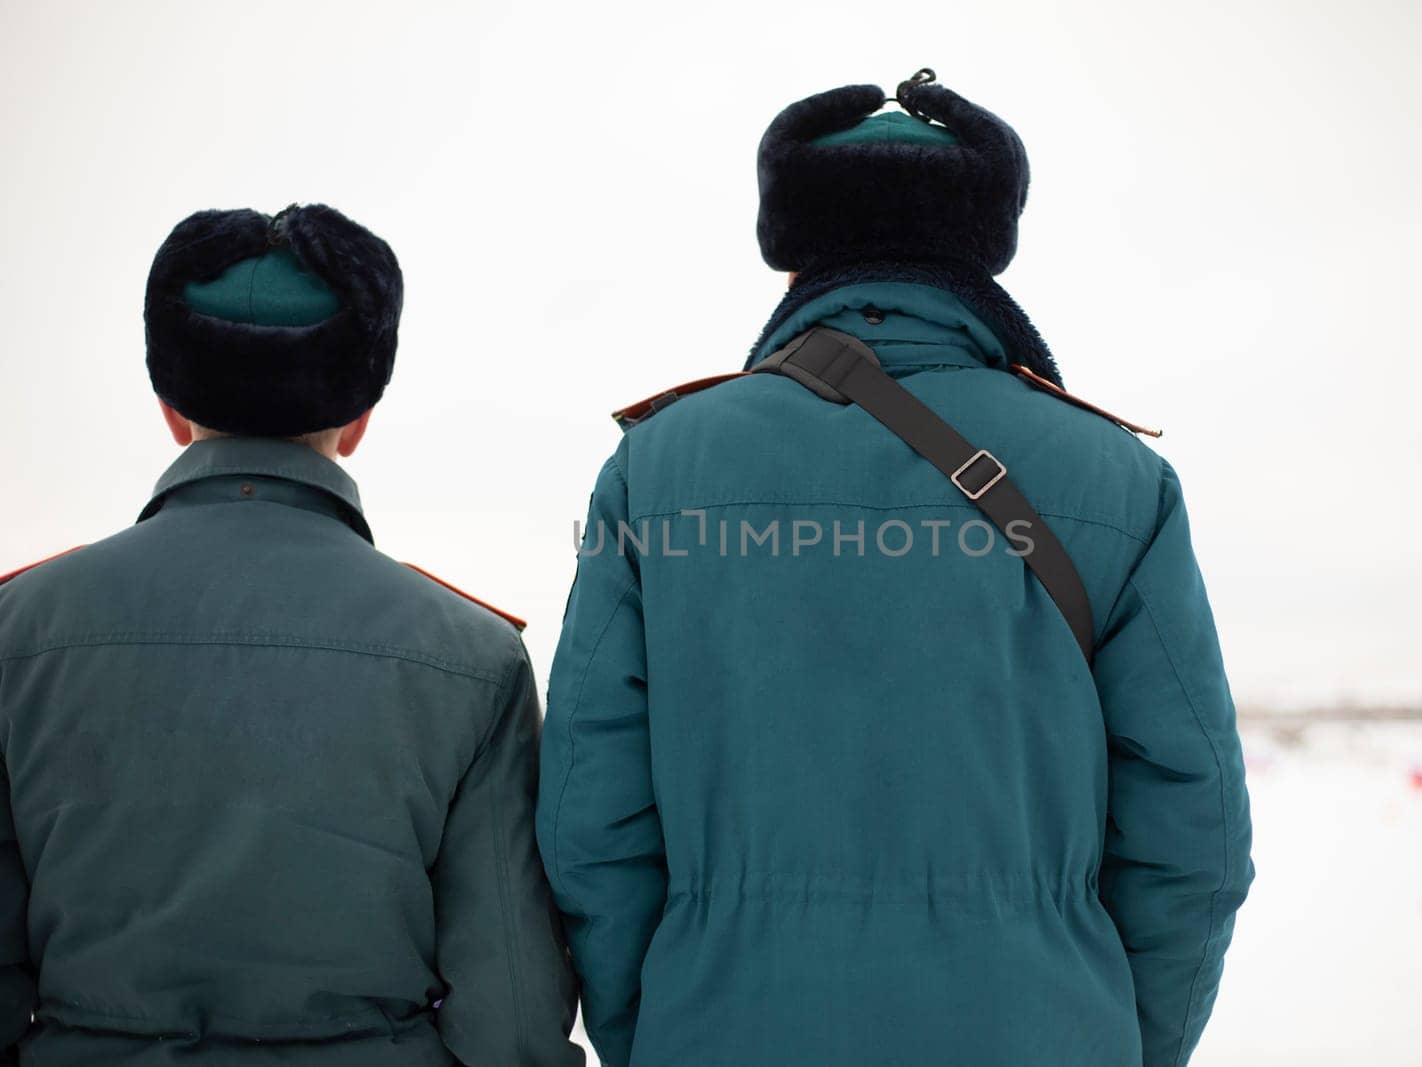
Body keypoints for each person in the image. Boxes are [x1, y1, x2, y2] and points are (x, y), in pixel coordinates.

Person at [538, 72, 1253, 1067]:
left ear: (794, 258)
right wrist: (1118, 1040)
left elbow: (589, 818)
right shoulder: (1123, 480)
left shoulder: (653, 469)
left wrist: (652, 1029)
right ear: (978, 251)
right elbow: (1195, 832)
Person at [0, 204, 583, 1066]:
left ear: (168, 405)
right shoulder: (474, 655)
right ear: (360, 418)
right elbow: (514, 1026)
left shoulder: (19, 633)